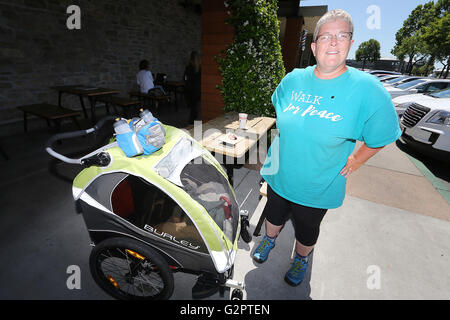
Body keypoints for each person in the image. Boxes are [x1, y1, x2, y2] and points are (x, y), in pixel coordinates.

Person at [253, 9, 401, 287]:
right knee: (273, 214)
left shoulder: (367, 89)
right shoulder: (293, 79)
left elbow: (382, 135)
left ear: (350, 43)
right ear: (313, 46)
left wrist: (356, 159)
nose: (333, 42)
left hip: (318, 184)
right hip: (279, 173)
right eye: (325, 37)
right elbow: (281, 115)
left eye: (341, 35)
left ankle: (301, 259)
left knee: (307, 229)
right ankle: (269, 240)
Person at [184, 51, 202, 124]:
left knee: (193, 109)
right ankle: (196, 125)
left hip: (190, 91)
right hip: (198, 90)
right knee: (196, 109)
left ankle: (191, 124)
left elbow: (185, 78)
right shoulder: (200, 68)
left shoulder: (189, 68)